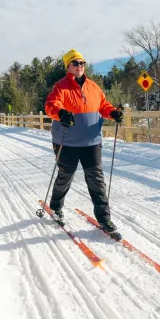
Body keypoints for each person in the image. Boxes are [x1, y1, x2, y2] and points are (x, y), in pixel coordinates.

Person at [44, 48, 124, 237]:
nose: (79, 66)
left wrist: (113, 113)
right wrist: (61, 113)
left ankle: (105, 219)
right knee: (65, 176)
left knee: (97, 180)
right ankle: (56, 207)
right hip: (68, 141)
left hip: (91, 141)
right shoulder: (60, 86)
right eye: (75, 63)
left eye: (82, 63)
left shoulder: (93, 87)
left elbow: (103, 106)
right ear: (68, 66)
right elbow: (51, 105)